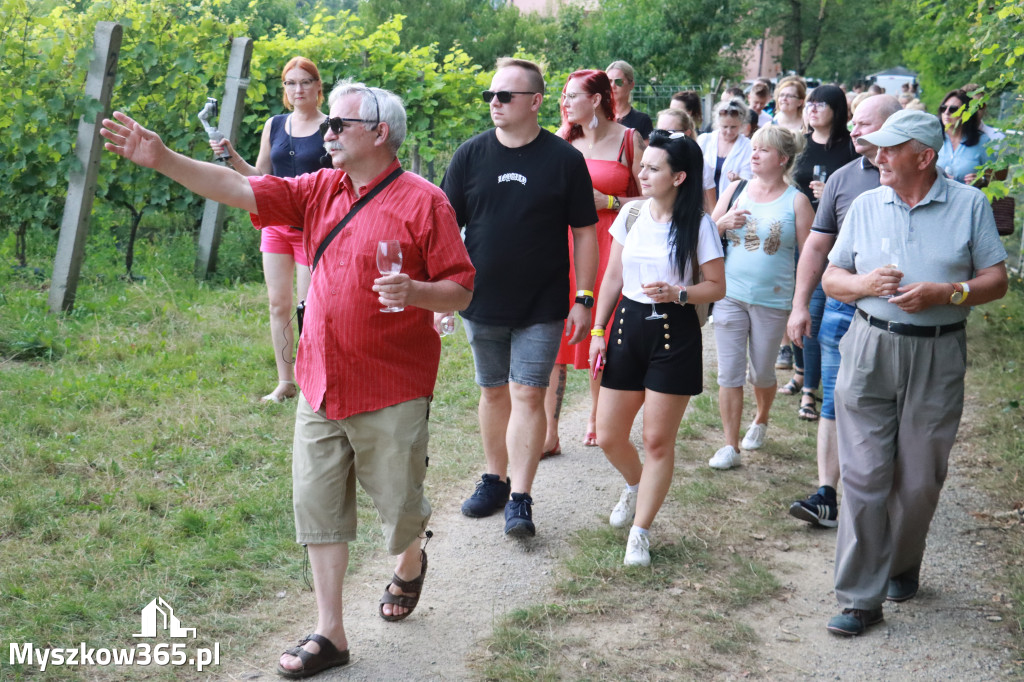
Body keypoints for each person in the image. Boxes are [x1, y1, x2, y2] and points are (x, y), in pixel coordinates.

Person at [101, 81, 476, 677]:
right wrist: (163, 158)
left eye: (339, 124)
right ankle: (331, 633)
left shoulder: (424, 202)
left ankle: (409, 563)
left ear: (380, 133)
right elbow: (239, 186)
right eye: (326, 123)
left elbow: (460, 286)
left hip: (392, 384)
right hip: (321, 379)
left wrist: (416, 292)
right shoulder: (319, 188)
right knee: (318, 505)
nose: (325, 132)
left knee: (400, 507)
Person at [821, 109, 1008, 636]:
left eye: (890, 149)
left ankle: (902, 563)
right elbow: (833, 276)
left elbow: (996, 280)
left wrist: (948, 293)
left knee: (920, 479)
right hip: (868, 348)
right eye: (876, 147)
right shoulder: (864, 204)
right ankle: (860, 597)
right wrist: (862, 286)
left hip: (937, 351)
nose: (877, 156)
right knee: (863, 475)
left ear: (924, 158)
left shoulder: (969, 205)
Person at [442, 58, 599, 538]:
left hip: (543, 303)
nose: (495, 103)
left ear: (535, 102)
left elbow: (585, 235)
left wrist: (584, 298)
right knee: (492, 390)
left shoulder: (565, 160)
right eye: (491, 95)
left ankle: (521, 497)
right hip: (480, 298)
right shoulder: (470, 155)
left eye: (505, 96)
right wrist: (444, 294)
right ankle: (495, 477)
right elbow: (447, 230)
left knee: (529, 392)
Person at [588, 130, 725, 565]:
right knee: (609, 435)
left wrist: (680, 293)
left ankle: (640, 532)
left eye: (652, 168)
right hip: (628, 327)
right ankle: (636, 485)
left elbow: (718, 287)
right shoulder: (630, 215)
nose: (641, 173)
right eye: (641, 165)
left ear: (679, 177)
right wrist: (597, 332)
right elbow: (612, 278)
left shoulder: (699, 224)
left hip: (675, 331)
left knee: (657, 440)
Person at [785, 94, 903, 528]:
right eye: (852, 121)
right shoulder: (842, 177)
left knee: (885, 407)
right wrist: (800, 305)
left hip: (897, 315)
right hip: (841, 306)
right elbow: (817, 245)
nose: (852, 129)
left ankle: (882, 497)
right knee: (835, 397)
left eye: (864, 123)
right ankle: (827, 495)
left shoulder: (918, 178)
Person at [210, 56, 327, 403]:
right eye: (290, 83)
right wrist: (232, 157)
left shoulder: (329, 126)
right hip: (275, 225)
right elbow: (259, 176)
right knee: (278, 305)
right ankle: (285, 382)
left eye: (305, 81)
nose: (298, 89)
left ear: (319, 87)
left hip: (312, 226)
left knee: (310, 307)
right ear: (284, 90)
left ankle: (314, 380)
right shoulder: (275, 125)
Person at [544, 69, 643, 456]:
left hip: (612, 243)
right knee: (555, 333)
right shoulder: (559, 140)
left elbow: (653, 198)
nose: (564, 103)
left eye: (572, 96)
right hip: (565, 244)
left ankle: (597, 416)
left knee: (602, 329)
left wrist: (612, 202)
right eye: (564, 97)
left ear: (597, 99)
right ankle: (550, 431)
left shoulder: (629, 140)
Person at [707, 126, 813, 470]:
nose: (753, 155)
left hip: (773, 300)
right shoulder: (736, 188)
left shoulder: (796, 201)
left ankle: (762, 417)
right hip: (730, 294)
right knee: (730, 373)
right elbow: (707, 233)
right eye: (753, 148)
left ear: (782, 159)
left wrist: (801, 304)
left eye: (762, 150)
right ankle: (729, 445)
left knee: (762, 374)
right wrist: (723, 222)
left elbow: (810, 256)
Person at [781, 84, 858, 422]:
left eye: (821, 103)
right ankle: (807, 385)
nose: (812, 108)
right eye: (809, 103)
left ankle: (815, 381)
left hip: (842, 242)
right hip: (804, 240)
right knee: (805, 310)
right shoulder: (799, 144)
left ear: (837, 110)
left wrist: (833, 195)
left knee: (831, 315)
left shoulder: (852, 149)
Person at [655, 108, 716, 212]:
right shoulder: (651, 160)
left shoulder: (700, 164)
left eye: (670, 132)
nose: (662, 137)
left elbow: (711, 208)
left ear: (687, 133)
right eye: (659, 131)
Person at [697, 98, 752, 201]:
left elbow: (749, 179)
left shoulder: (748, 146)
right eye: (725, 126)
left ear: (741, 125)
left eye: (733, 127)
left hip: (731, 201)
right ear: (718, 124)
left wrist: (738, 180)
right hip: (703, 201)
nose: (729, 131)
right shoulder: (704, 140)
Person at [936, 88, 992, 186]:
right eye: (943, 108)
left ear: (966, 113)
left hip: (967, 199)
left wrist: (982, 180)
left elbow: (995, 177)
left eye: (953, 109)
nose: (946, 112)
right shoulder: (933, 137)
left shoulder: (983, 141)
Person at [606, 60, 654, 139]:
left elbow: (645, 151)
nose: (612, 86)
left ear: (631, 85)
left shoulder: (642, 120)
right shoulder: (599, 117)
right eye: (609, 81)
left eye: (618, 81)